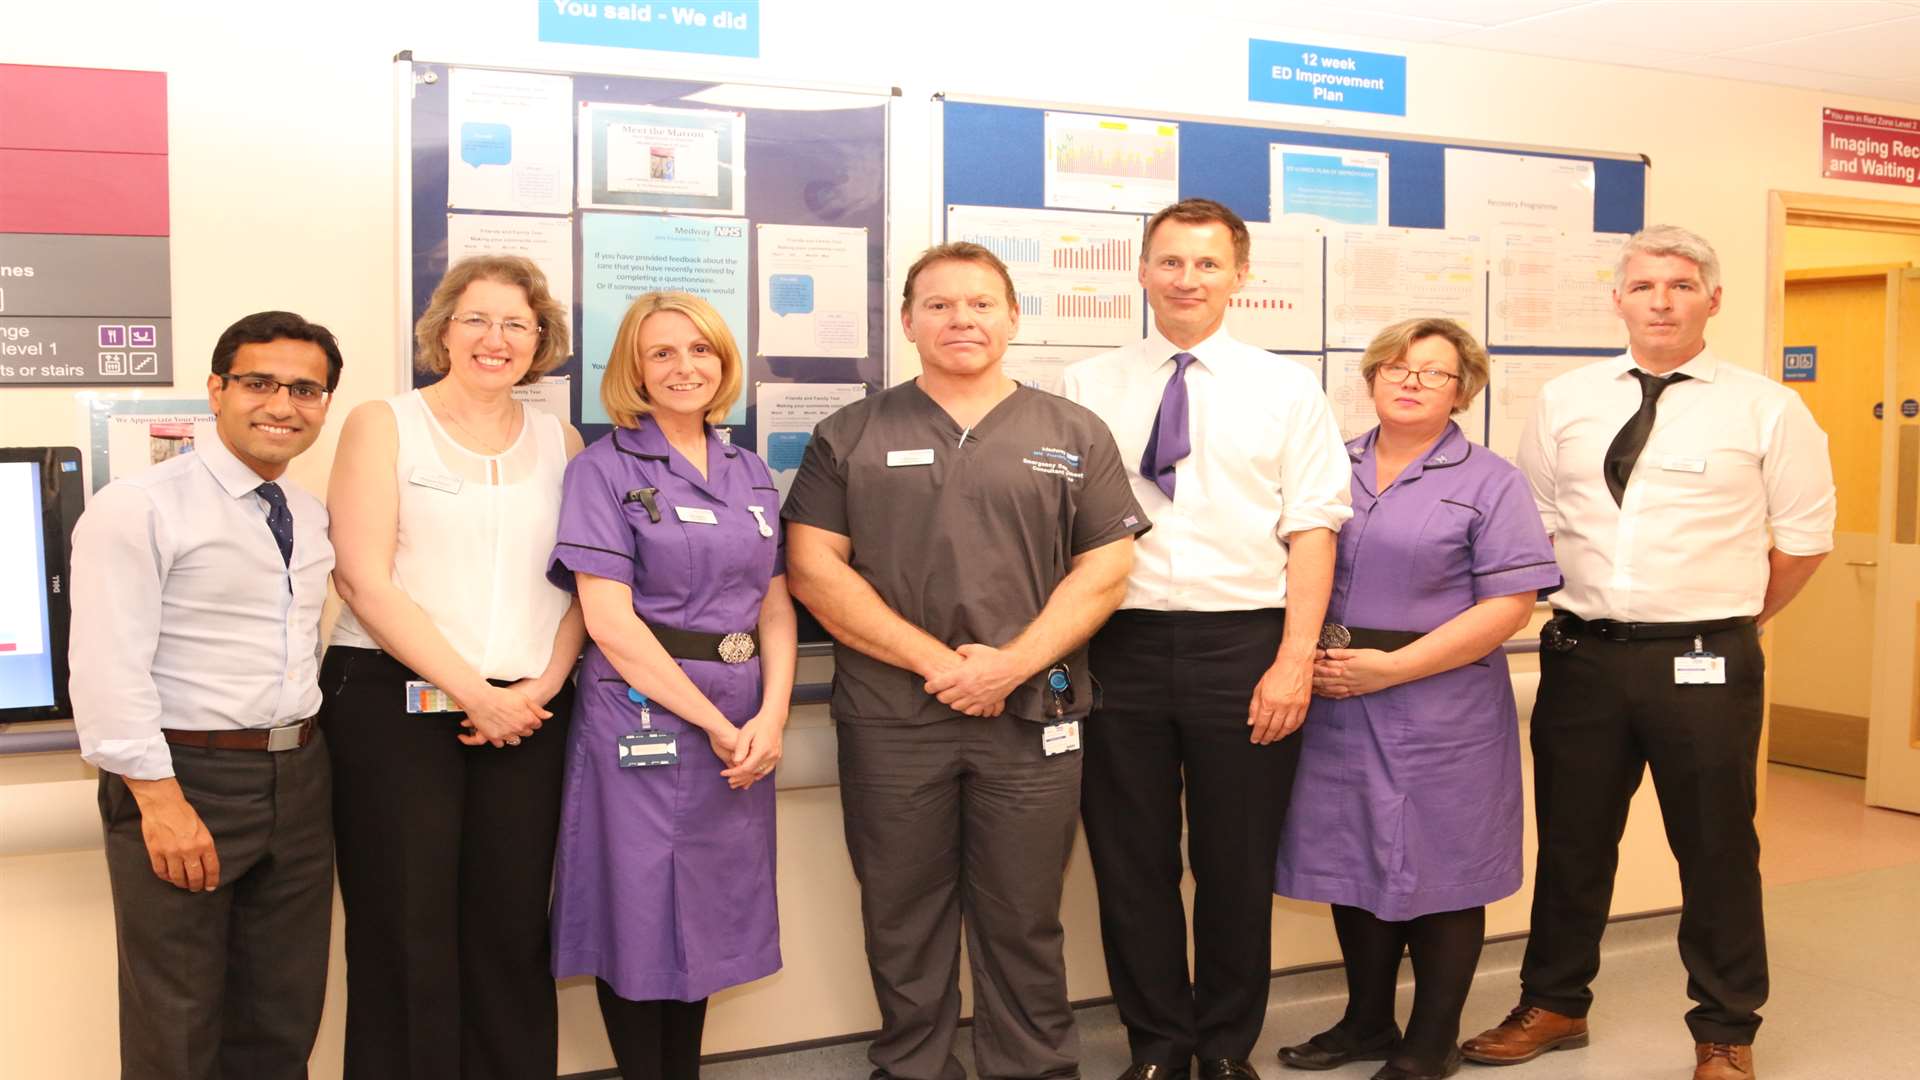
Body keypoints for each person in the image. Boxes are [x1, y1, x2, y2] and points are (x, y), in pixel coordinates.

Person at [1463, 226, 1835, 1080]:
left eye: (1678, 284)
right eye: (1643, 286)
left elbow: (1806, 540)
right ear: (1618, 299)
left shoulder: (1767, 406)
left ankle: (1726, 1030)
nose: (1660, 300)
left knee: (1715, 850)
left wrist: (1732, 620)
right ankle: (1556, 1003)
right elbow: (1541, 520)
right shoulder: (1567, 399)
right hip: (1583, 657)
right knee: (1572, 843)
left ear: (1712, 298)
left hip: (1705, 662)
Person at [784, 241, 1148, 1080]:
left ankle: (1033, 1067)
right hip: (892, 718)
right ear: (908, 321)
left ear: (1013, 318)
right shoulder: (852, 432)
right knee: (901, 913)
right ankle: (913, 1065)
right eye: (940, 305)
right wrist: (941, 666)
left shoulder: (1072, 432)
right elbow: (812, 568)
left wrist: (1009, 666)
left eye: (981, 304)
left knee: (1024, 914)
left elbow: (1106, 571)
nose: (962, 320)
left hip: (1030, 718)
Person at [1061, 198, 1351, 1080]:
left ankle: (1224, 1047)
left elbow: (1313, 530)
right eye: (1171, 262)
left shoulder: (1286, 387)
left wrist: (1293, 661)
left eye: (1208, 264)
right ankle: (1157, 1046)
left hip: (1248, 648)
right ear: (1143, 271)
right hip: (1118, 646)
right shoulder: (1084, 385)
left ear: (1240, 276)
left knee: (1235, 866)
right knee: (1130, 864)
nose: (1188, 279)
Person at [1269, 319, 1560, 1080]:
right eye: (1396, 367)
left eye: (1434, 373)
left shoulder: (1490, 480)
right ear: (1370, 378)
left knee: (1443, 868)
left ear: (1463, 391)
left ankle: (1430, 1040)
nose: (1411, 381)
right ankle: (1366, 1021)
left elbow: (1509, 605)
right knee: (1349, 857)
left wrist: (1393, 671)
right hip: (1334, 693)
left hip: (1442, 701)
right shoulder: (1326, 465)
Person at [324, 255, 586, 1079]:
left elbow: (589, 582)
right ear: (442, 330)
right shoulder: (384, 422)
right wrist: (475, 692)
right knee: (407, 927)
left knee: (510, 926)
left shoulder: (562, 438)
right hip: (395, 707)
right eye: (476, 319)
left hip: (532, 711)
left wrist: (541, 687)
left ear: (540, 341)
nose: (495, 338)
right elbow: (362, 577)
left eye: (516, 323)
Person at [70, 310, 344, 1079]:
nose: (281, 405)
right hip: (185, 779)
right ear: (217, 389)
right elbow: (106, 669)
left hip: (298, 776)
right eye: (259, 383)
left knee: (283, 1016)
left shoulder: (310, 514)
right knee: (179, 1027)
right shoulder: (142, 506)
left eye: (305, 389)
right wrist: (159, 802)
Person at [546, 290, 797, 1079]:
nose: (684, 366)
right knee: (640, 909)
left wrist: (772, 716)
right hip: (641, 716)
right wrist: (716, 725)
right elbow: (610, 622)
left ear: (723, 362)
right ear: (633, 369)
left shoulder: (749, 469)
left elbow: (777, 605)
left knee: (710, 910)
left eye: (699, 350)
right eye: (662, 353)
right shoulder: (603, 469)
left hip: (743, 713)